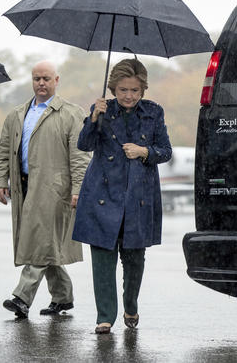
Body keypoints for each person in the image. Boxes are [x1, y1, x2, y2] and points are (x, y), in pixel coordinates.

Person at [72, 58, 172, 334]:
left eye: (135, 91)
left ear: (143, 90)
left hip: (138, 195)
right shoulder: (101, 109)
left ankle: (131, 304)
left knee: (134, 258)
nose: (128, 96)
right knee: (103, 258)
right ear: (114, 88)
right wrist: (93, 119)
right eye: (123, 90)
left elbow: (165, 151)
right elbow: (84, 144)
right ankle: (105, 316)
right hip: (103, 193)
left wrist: (144, 152)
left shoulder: (154, 112)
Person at [0, 60, 90, 318]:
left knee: (41, 242)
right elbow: (3, 151)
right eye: (37, 78)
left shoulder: (71, 113)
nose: (41, 83)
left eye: (46, 78)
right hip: (24, 187)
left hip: (55, 189)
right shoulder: (16, 114)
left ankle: (21, 298)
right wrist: (0, 181)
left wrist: (79, 189)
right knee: (46, 245)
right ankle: (63, 298)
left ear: (56, 80)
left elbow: (80, 157)